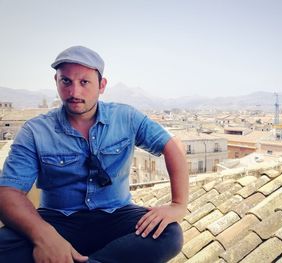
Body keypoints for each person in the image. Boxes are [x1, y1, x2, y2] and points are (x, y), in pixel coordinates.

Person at [0, 46, 189, 263]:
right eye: (66, 81)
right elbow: (8, 193)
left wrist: (178, 205)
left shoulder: (125, 117)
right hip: (58, 220)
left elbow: (173, 145)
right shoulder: (35, 131)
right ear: (56, 81)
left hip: (116, 215)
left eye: (84, 82)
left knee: (169, 234)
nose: (74, 92)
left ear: (102, 85)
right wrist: (45, 237)